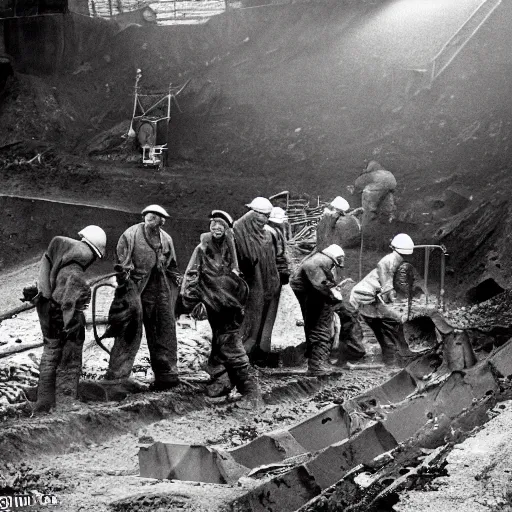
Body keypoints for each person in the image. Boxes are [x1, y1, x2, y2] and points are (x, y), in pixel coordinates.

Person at [181, 210, 260, 402]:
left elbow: (246, 271)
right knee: (220, 341)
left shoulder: (234, 248)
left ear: (226, 229)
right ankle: (223, 382)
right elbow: (192, 274)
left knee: (230, 343)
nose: (216, 227)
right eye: (213, 223)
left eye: (221, 224)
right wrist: (190, 299)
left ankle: (248, 389)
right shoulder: (202, 249)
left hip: (232, 305)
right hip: (212, 303)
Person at [104, 205, 181, 390]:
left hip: (159, 289)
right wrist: (125, 276)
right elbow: (121, 262)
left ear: (162, 221)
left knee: (164, 328)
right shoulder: (130, 235)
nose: (150, 218)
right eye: (148, 215)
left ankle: (166, 375)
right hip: (135, 288)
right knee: (129, 331)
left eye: (156, 216)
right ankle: (117, 378)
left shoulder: (166, 239)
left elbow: (172, 266)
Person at [32, 225, 107, 412]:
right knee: (69, 357)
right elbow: (68, 305)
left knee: (50, 354)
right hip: (61, 318)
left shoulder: (60, 261)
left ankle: (45, 401)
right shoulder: (75, 273)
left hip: (49, 313)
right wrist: (73, 325)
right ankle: (65, 402)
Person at [349, 233, 416, 366]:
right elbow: (387, 288)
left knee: (385, 328)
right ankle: (393, 360)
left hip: (370, 298)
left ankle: (392, 358)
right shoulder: (388, 261)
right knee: (390, 324)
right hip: (366, 297)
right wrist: (397, 304)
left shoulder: (395, 260)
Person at [233, 197, 281, 364]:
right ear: (254, 214)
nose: (266, 220)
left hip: (268, 281)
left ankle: (257, 353)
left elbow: (278, 255)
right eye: (264, 216)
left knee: (264, 317)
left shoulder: (269, 233)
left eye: (268, 216)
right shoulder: (238, 231)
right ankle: (240, 354)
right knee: (248, 318)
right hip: (248, 283)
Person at [290, 244, 345, 376]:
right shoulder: (317, 263)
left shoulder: (318, 260)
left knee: (317, 329)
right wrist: (333, 295)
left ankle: (318, 364)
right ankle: (317, 365)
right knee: (320, 330)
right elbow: (320, 285)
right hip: (312, 298)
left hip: (309, 297)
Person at [255, 206, 292, 365]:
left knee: (269, 318)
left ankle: (266, 355)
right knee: (268, 318)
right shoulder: (270, 233)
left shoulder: (270, 232)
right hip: (271, 279)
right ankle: (264, 356)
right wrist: (283, 273)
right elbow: (275, 258)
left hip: (271, 279)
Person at [350, 160, 397, 225]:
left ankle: (366, 223)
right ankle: (389, 217)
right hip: (392, 181)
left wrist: (354, 190)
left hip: (378, 184)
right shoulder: (387, 173)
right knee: (387, 198)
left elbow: (358, 184)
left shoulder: (368, 176)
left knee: (367, 197)